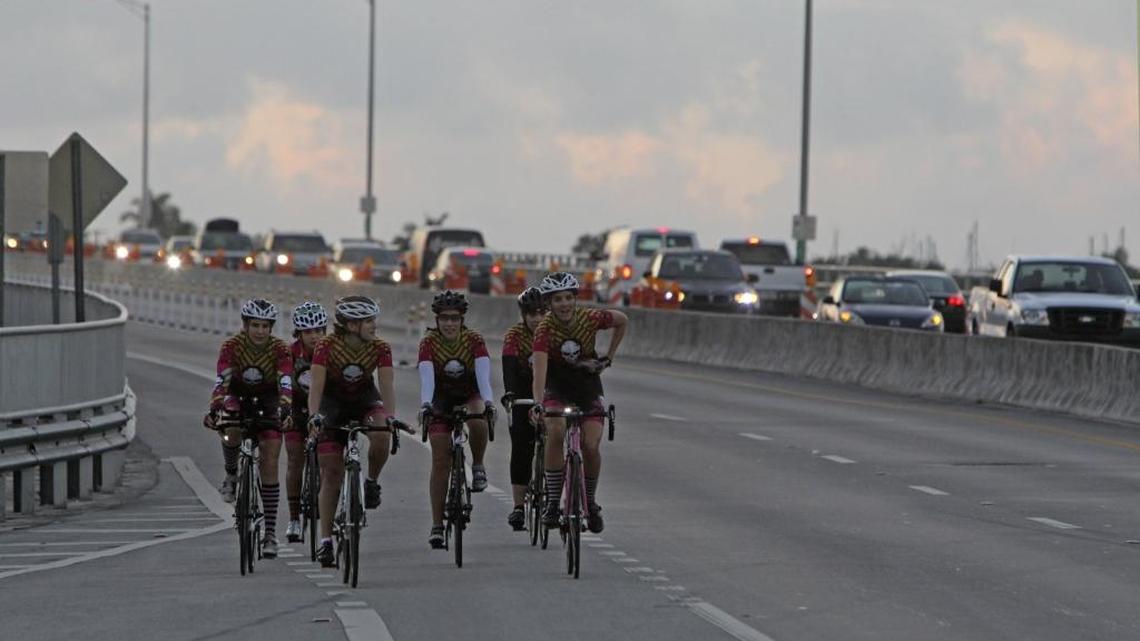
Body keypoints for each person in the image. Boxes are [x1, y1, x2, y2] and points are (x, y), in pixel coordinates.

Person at [306, 295, 400, 568]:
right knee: (331, 472)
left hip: (364, 400)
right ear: (350, 325)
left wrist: (391, 417)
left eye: (374, 320)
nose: (374, 326)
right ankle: (325, 542)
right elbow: (316, 387)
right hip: (332, 405)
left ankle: (371, 482)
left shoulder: (381, 347)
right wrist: (314, 417)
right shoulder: (326, 346)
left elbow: (387, 385)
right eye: (368, 321)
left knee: (382, 432)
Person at [530, 272, 627, 534]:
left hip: (587, 385)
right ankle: (552, 502)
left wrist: (609, 356)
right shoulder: (544, 329)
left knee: (591, 444)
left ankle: (591, 501)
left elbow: (622, 320)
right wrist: (539, 403)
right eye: (558, 300)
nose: (564, 304)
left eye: (568, 298)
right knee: (556, 431)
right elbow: (539, 372)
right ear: (549, 304)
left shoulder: (590, 318)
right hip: (557, 387)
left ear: (575, 299)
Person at [204, 298, 292, 558]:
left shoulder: (280, 349)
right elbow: (223, 378)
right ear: (245, 325)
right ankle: (231, 474)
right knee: (230, 424)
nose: (261, 331)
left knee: (270, 456)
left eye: (266, 326)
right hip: (238, 395)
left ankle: (270, 534)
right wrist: (215, 405)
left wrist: (286, 406)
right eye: (255, 325)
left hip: (269, 399)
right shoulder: (232, 346)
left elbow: (285, 380)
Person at [417, 290, 496, 549]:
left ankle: (478, 465)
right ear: (436, 320)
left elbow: (484, 378)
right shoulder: (429, 342)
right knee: (440, 459)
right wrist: (426, 405)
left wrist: (489, 403)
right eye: (444, 319)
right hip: (441, 397)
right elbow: (427, 379)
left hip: (468, 392)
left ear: (462, 319)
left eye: (454, 318)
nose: (449, 323)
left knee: (477, 416)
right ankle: (437, 525)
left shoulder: (474, 340)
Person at [500, 287, 547, 531]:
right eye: (531, 314)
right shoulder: (514, 335)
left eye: (541, 313)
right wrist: (510, 394)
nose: (537, 319)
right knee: (521, 445)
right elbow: (508, 368)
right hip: (522, 393)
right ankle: (518, 506)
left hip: (550, 392)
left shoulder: (553, 332)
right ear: (523, 315)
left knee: (556, 438)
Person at [283, 301, 328, 543]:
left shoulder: (332, 351)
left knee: (329, 458)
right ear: (299, 334)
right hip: (296, 412)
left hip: (322, 412)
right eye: (308, 332)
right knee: (294, 459)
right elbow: (281, 386)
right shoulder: (289, 354)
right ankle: (293, 518)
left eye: (319, 330)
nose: (314, 336)